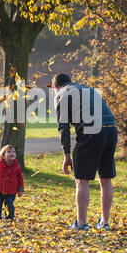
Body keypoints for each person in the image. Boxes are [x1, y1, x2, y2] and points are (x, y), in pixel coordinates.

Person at [52, 73, 118, 231]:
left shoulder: (61, 94)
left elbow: (64, 127)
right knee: (106, 179)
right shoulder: (88, 89)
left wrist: (66, 155)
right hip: (111, 129)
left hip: (92, 132)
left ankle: (81, 224)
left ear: (56, 87)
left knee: (81, 180)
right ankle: (104, 223)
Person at [0, 145, 24, 220]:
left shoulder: (17, 166)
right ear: (3, 156)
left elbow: (20, 178)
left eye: (13, 152)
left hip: (11, 191)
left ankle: (9, 218)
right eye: (9, 152)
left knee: (9, 205)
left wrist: (20, 189)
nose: (12, 153)